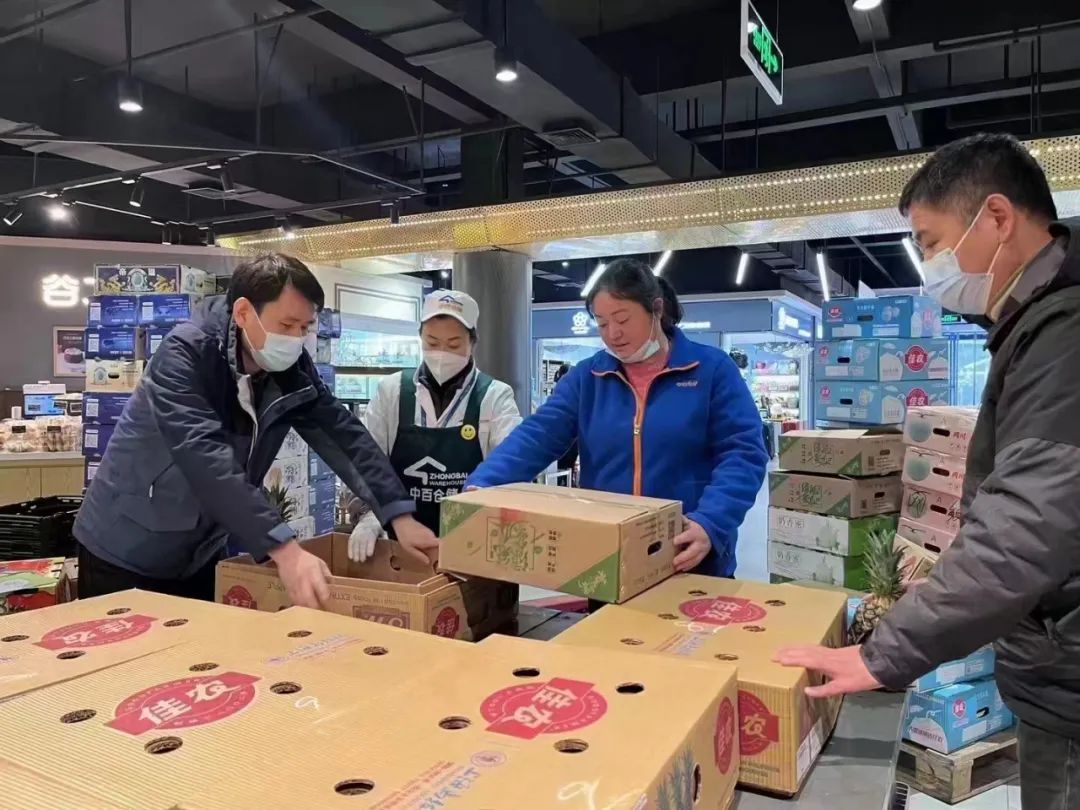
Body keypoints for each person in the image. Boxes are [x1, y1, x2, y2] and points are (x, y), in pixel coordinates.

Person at [776, 133, 1080, 808]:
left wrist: (884, 653)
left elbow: (1025, 530)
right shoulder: (1036, 322)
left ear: (997, 218)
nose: (929, 265)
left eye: (932, 242)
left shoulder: (1064, 335)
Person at [75, 253, 438, 607]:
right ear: (244, 313)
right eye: (287, 325)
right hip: (124, 550)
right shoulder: (185, 356)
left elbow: (344, 435)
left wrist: (398, 515)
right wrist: (284, 549)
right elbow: (205, 459)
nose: (296, 339)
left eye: (305, 328)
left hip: (200, 552)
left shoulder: (289, 369)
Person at [466, 259, 769, 576]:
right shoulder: (589, 377)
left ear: (656, 309)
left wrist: (711, 522)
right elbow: (537, 436)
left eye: (623, 319)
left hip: (686, 551)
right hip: (606, 557)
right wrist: (483, 484)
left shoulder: (711, 370)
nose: (613, 334)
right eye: (601, 324)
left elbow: (743, 453)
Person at [348, 289, 521, 562]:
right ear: (420, 338)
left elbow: (512, 464)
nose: (441, 353)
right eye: (432, 342)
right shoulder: (392, 391)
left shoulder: (494, 396)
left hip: (475, 547)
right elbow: (367, 459)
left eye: (453, 345)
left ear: (472, 342)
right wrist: (369, 516)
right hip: (401, 549)